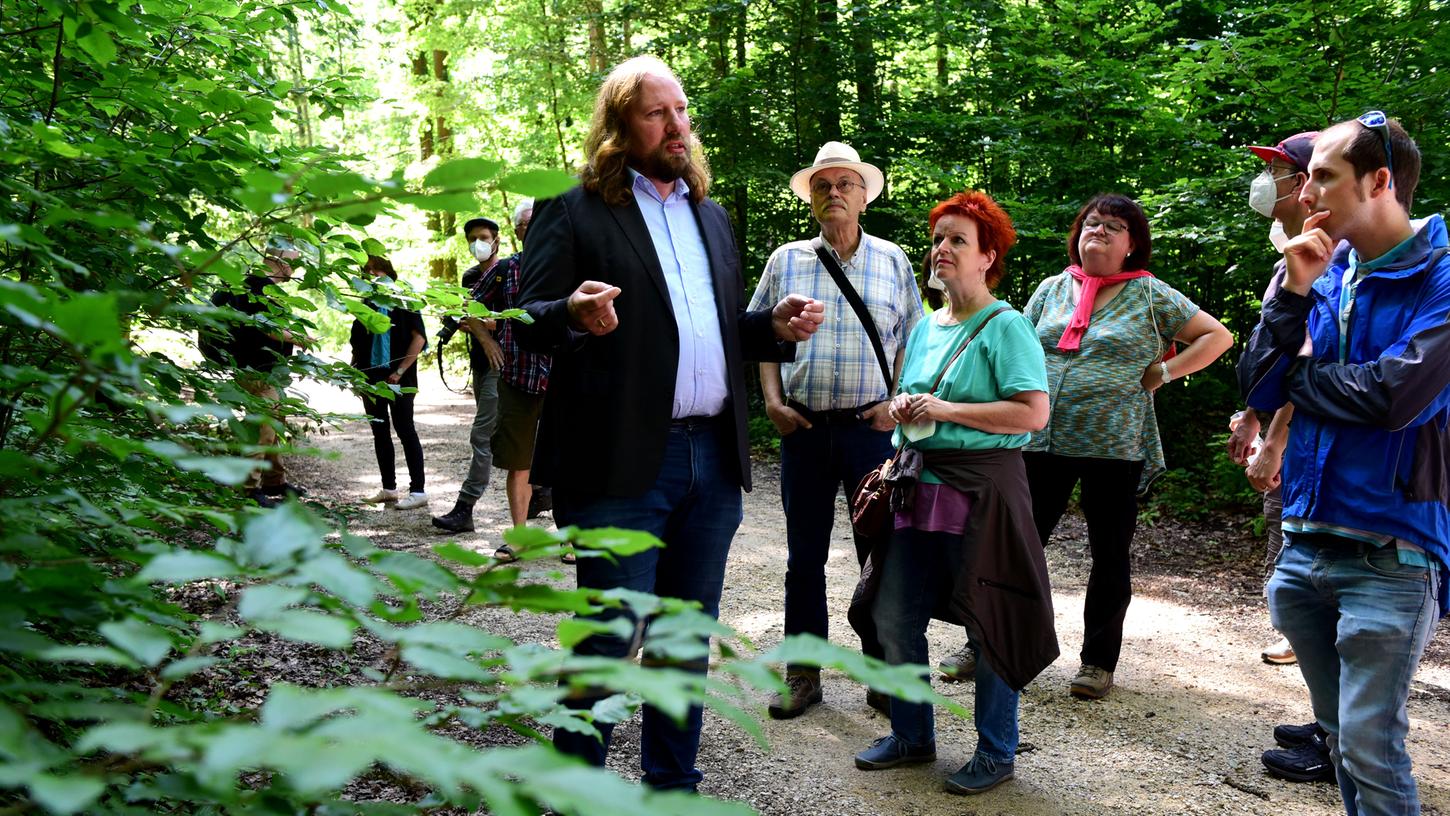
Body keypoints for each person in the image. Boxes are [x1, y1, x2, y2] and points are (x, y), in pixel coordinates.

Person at [513, 55, 823, 792]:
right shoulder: (575, 209)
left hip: (711, 462)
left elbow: (709, 328)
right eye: (657, 114)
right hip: (619, 466)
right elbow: (526, 321)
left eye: (682, 111)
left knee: (685, 644)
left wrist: (768, 326)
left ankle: (672, 788)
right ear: (620, 126)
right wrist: (572, 314)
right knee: (609, 642)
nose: (677, 126)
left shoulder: (709, 216)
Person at [1238, 112, 1448, 816]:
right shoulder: (1310, 267)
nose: (1305, 192)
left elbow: (1397, 397)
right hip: (1305, 541)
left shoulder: (1443, 275)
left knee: (1367, 744)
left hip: (1393, 550)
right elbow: (1256, 384)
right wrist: (1296, 291)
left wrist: (1298, 383)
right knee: (1341, 739)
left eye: (1323, 175)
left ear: (1379, 180)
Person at [852, 190, 1056, 796]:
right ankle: (913, 737)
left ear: (987, 256)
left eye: (957, 240)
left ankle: (996, 751)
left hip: (984, 491)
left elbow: (1033, 414)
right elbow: (909, 405)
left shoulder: (1007, 325)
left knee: (989, 616)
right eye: (938, 238)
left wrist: (946, 409)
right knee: (894, 612)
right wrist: (900, 407)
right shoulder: (925, 327)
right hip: (917, 485)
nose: (942, 248)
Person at [1023, 194, 1232, 699]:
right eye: (1091, 222)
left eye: (1113, 226)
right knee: (1019, 547)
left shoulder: (1150, 295)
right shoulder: (1051, 289)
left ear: (1132, 243)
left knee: (1109, 553)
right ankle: (994, 643)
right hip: (1039, 437)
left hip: (1114, 444)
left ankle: (1098, 662)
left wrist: (1165, 370)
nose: (1098, 230)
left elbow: (1217, 336)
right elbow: (1019, 347)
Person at [749, 141, 923, 719]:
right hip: (803, 429)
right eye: (823, 185)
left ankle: (879, 670)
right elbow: (760, 338)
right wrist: (772, 401)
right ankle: (804, 674)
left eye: (846, 184)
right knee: (805, 557)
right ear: (812, 198)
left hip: (871, 430)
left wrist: (895, 404)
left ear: (865, 197)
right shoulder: (787, 260)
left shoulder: (894, 261)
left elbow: (914, 342)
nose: (834, 193)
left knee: (880, 552)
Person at [1226, 131, 1337, 785]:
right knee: (1311, 589)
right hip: (1296, 440)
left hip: (1314, 451)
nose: (1264, 183)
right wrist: (1252, 412)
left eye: (1277, 171)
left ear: (1307, 184)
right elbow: (1276, 351)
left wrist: (1276, 439)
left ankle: (1337, 741)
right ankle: (1330, 722)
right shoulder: (1292, 253)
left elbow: (1311, 362)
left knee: (1324, 591)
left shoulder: (1330, 257)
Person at [473, 199, 566, 561]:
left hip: (563, 379)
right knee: (519, 461)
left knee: (566, 460)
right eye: (526, 224)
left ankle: (570, 539)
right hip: (518, 376)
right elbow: (473, 306)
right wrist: (487, 342)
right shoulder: (506, 269)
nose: (534, 227)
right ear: (517, 231)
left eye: (540, 221)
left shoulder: (567, 263)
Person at [208, 236, 313, 507]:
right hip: (254, 370)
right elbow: (267, 328)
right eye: (293, 262)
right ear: (279, 262)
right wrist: (300, 338)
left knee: (273, 423)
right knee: (262, 430)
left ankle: (274, 482)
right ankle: (248, 489)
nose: (295, 268)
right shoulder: (259, 286)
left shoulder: (247, 283)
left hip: (262, 370)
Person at [432, 216, 506, 533]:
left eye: (484, 237)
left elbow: (521, 317)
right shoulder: (469, 276)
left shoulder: (510, 272)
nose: (478, 243)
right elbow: (467, 310)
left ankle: (466, 507)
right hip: (479, 362)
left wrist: (487, 325)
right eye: (472, 238)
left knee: (481, 435)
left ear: (496, 240)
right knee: (504, 434)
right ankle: (542, 493)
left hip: (503, 363)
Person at [349, 255, 429, 511]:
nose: (370, 275)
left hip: (399, 376)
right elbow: (358, 341)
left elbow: (419, 339)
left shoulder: (405, 299)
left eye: (373, 270)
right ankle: (389, 489)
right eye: (367, 271)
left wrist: (401, 369)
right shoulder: (367, 302)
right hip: (370, 376)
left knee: (405, 430)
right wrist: (355, 373)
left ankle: (418, 491)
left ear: (386, 272)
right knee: (379, 431)